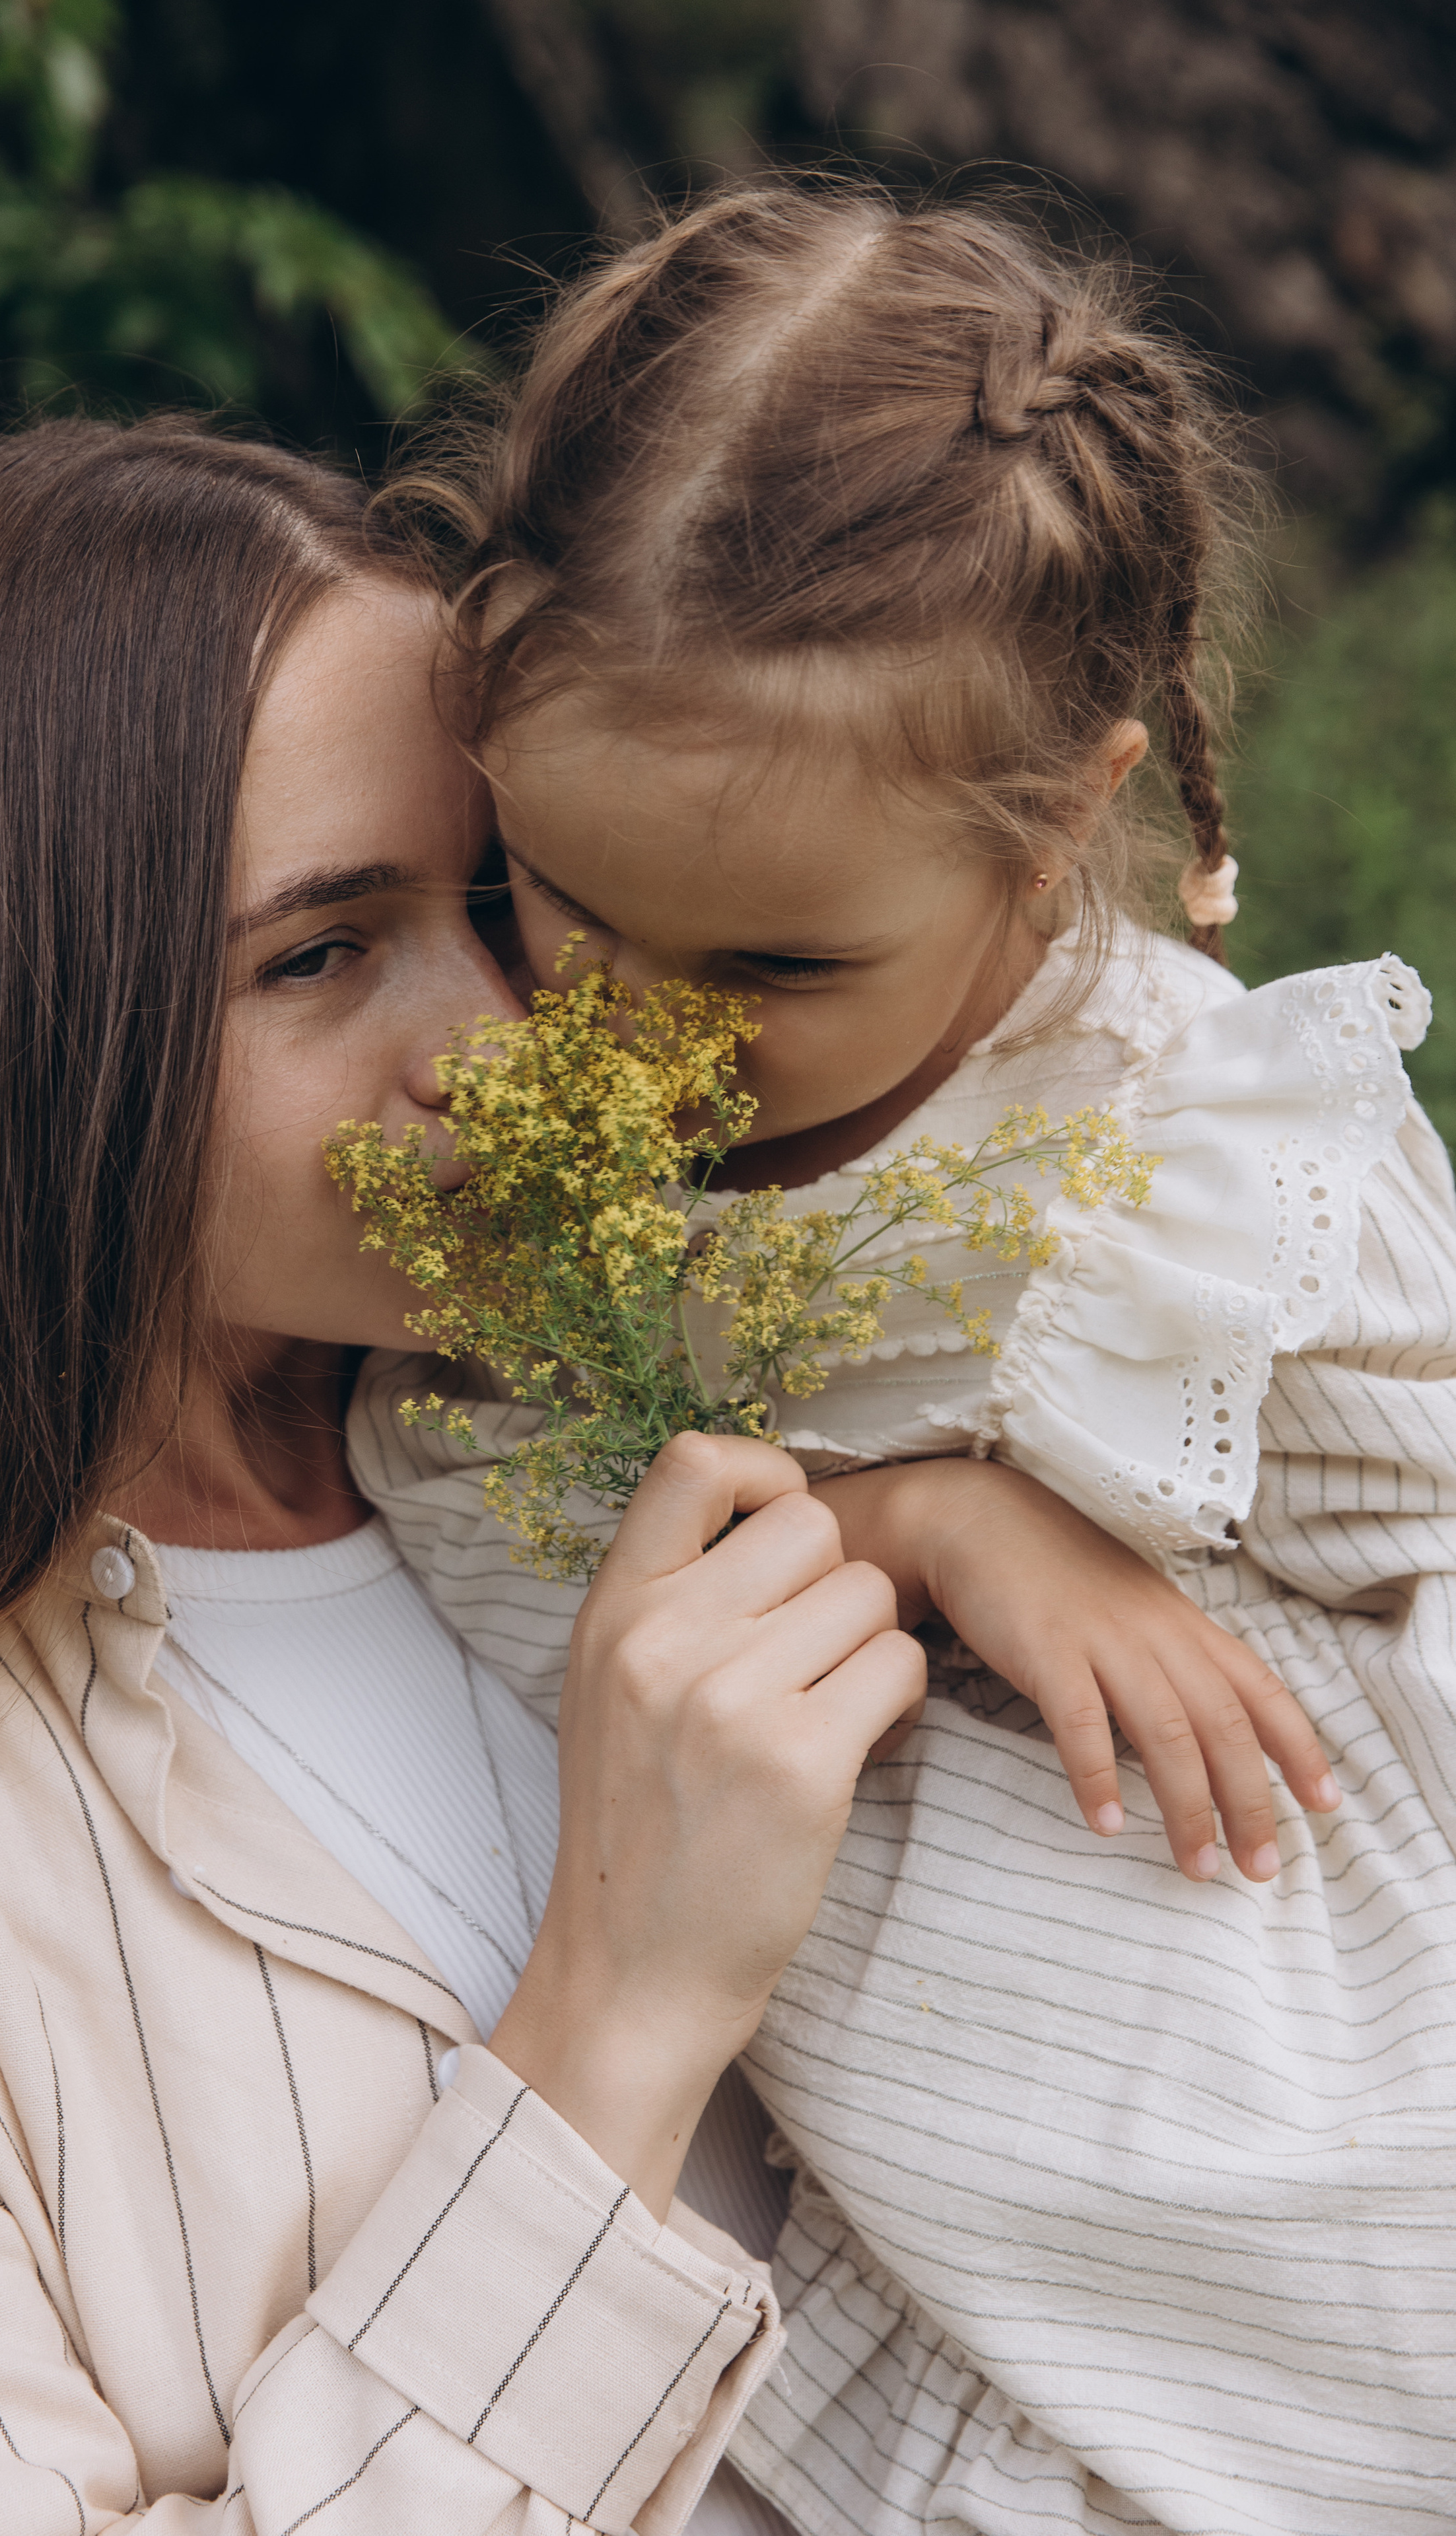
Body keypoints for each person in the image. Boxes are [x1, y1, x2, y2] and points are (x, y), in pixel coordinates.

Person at [345, 182, 1456, 2529]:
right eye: (563, 902)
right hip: (965, 2225)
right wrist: (929, 1525)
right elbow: (503, 1556)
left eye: (769, 974)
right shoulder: (522, 1222)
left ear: (1056, 824)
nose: (639, 1028)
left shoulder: (1200, 1144)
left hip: (1329, 2075)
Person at [0, 415, 934, 2535]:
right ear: (29, 1040)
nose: (502, 1039)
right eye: (322, 952)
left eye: (503, 898)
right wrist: (616, 2012)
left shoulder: (753, 1369)